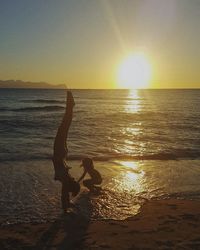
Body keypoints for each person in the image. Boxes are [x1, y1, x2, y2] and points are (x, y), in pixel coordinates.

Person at [52, 90, 80, 212]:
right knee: (65, 125)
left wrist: (65, 207)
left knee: (65, 125)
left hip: (59, 151)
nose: (74, 179)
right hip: (61, 151)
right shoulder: (66, 179)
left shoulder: (65, 180)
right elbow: (65, 192)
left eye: (74, 182)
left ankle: (70, 105)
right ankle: (70, 105)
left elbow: (64, 193)